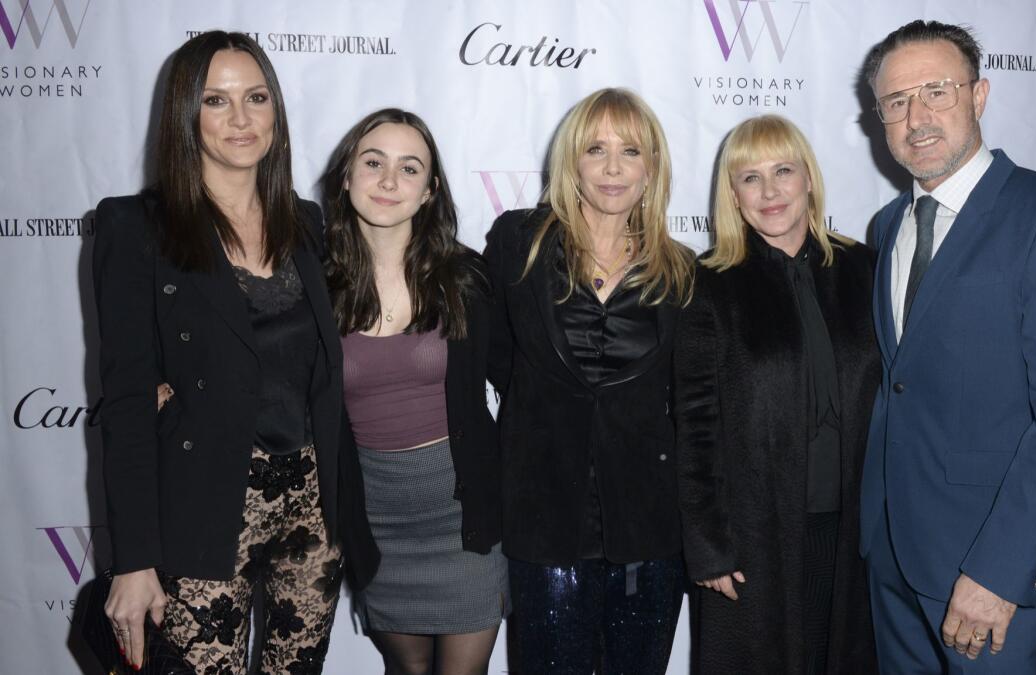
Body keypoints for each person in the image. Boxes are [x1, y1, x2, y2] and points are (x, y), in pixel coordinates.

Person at [93, 31, 367, 673]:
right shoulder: (135, 227)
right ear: (185, 115)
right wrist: (134, 559)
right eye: (216, 100)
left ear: (276, 110)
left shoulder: (309, 224)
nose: (241, 119)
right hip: (205, 507)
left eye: (257, 97)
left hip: (313, 510)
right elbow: (128, 400)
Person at [859, 20, 1036, 674]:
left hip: (985, 572)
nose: (916, 116)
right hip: (890, 557)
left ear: (979, 95)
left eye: (936, 91)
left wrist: (1001, 573)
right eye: (896, 102)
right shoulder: (887, 226)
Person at [483, 87, 694, 674]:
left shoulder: (682, 271)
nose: (612, 167)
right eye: (595, 149)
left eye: (630, 151)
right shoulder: (517, 244)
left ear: (651, 170)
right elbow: (497, 359)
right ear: (571, 161)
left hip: (649, 530)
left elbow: (690, 402)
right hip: (543, 520)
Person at [674, 114, 880, 675]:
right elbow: (693, 427)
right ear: (732, 195)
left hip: (854, 534)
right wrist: (709, 545)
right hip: (753, 537)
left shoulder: (864, 269)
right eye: (750, 177)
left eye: (783, 170)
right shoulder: (708, 284)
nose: (770, 191)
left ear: (808, 178)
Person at [321, 108, 508, 675]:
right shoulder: (315, 284)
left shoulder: (465, 278)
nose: (387, 181)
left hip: (466, 522)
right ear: (347, 176)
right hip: (376, 523)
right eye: (373, 162)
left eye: (409, 169)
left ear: (429, 192)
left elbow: (524, 383)